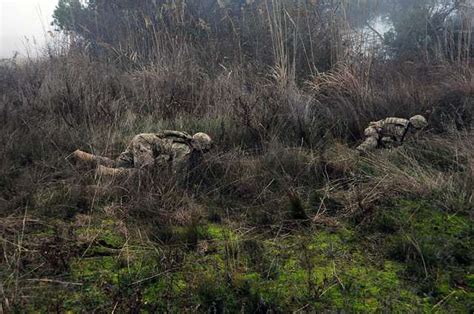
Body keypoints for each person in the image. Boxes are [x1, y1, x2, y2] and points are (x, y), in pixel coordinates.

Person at [72, 131, 212, 176]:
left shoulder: (185, 139)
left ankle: (81, 155)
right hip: (144, 144)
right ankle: (103, 172)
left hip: (141, 138)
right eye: (204, 151)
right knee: (143, 173)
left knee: (119, 164)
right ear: (199, 147)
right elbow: (176, 175)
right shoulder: (184, 151)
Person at [356, 115, 428, 153]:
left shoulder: (410, 131)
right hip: (375, 129)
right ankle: (355, 154)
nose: (419, 131)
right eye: (419, 128)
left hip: (384, 138)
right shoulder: (400, 126)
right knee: (372, 142)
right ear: (414, 126)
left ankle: (372, 156)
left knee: (393, 152)